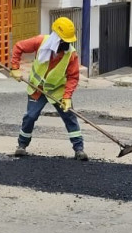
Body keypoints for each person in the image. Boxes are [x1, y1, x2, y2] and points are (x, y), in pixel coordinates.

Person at [10, 17, 87, 161]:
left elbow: (73, 77)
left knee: (69, 117)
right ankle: (21, 146)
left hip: (58, 91)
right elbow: (19, 47)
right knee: (30, 117)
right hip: (37, 89)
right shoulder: (41, 42)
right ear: (56, 38)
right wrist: (15, 68)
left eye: (68, 42)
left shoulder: (71, 55)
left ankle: (79, 149)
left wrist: (67, 97)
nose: (66, 45)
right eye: (64, 42)